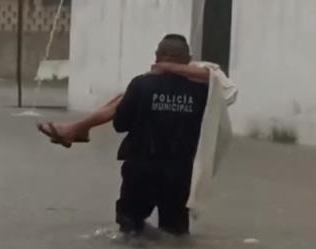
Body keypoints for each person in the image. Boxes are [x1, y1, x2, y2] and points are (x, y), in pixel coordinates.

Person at [110, 34, 210, 236]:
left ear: (157, 56)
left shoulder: (140, 85)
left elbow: (120, 124)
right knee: (176, 233)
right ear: (188, 60)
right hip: (180, 173)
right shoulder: (203, 91)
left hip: (140, 169)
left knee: (130, 228)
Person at [37, 55, 233, 148]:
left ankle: (76, 129)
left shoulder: (205, 72)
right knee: (121, 97)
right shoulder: (162, 80)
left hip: (187, 147)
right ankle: (79, 128)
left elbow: (216, 78)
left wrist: (168, 67)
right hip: (168, 152)